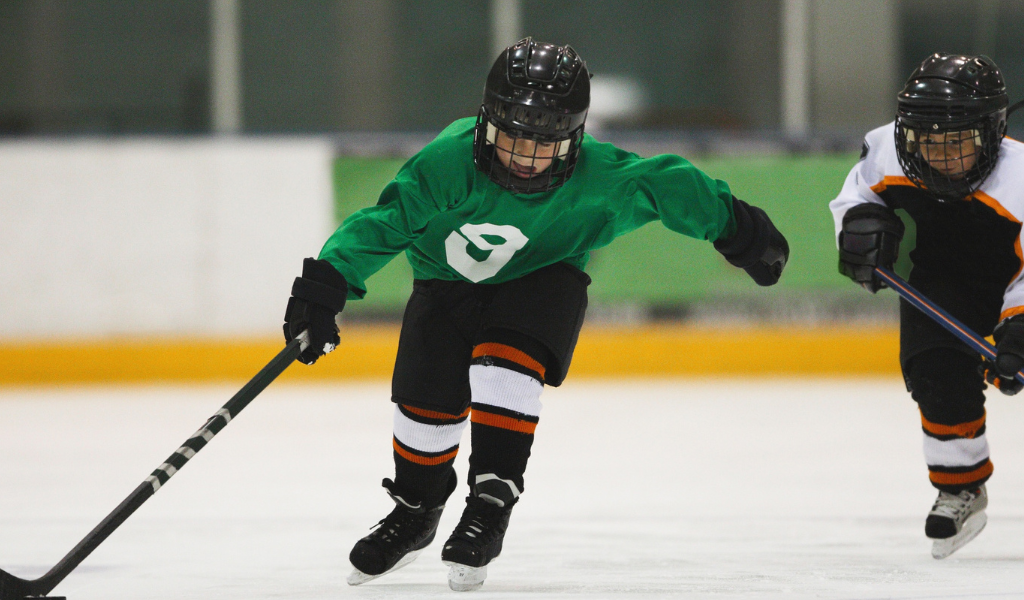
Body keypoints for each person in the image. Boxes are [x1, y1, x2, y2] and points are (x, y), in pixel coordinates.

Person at [283, 37, 789, 591]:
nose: (525, 159)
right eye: (513, 140)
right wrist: (326, 286)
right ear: (485, 123)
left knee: (505, 362)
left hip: (545, 280)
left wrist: (738, 228)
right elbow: (384, 222)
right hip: (445, 285)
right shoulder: (448, 161)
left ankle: (490, 500)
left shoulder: (600, 174)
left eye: (544, 145)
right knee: (425, 403)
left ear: (574, 139)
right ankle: (416, 510)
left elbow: (668, 182)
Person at [831, 53, 1024, 559]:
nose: (940, 154)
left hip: (1014, 281)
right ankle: (961, 485)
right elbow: (855, 197)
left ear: (993, 131)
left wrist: (1019, 325)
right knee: (934, 373)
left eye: (957, 141)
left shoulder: (1021, 179)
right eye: (927, 140)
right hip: (941, 280)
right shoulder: (886, 152)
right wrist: (857, 230)